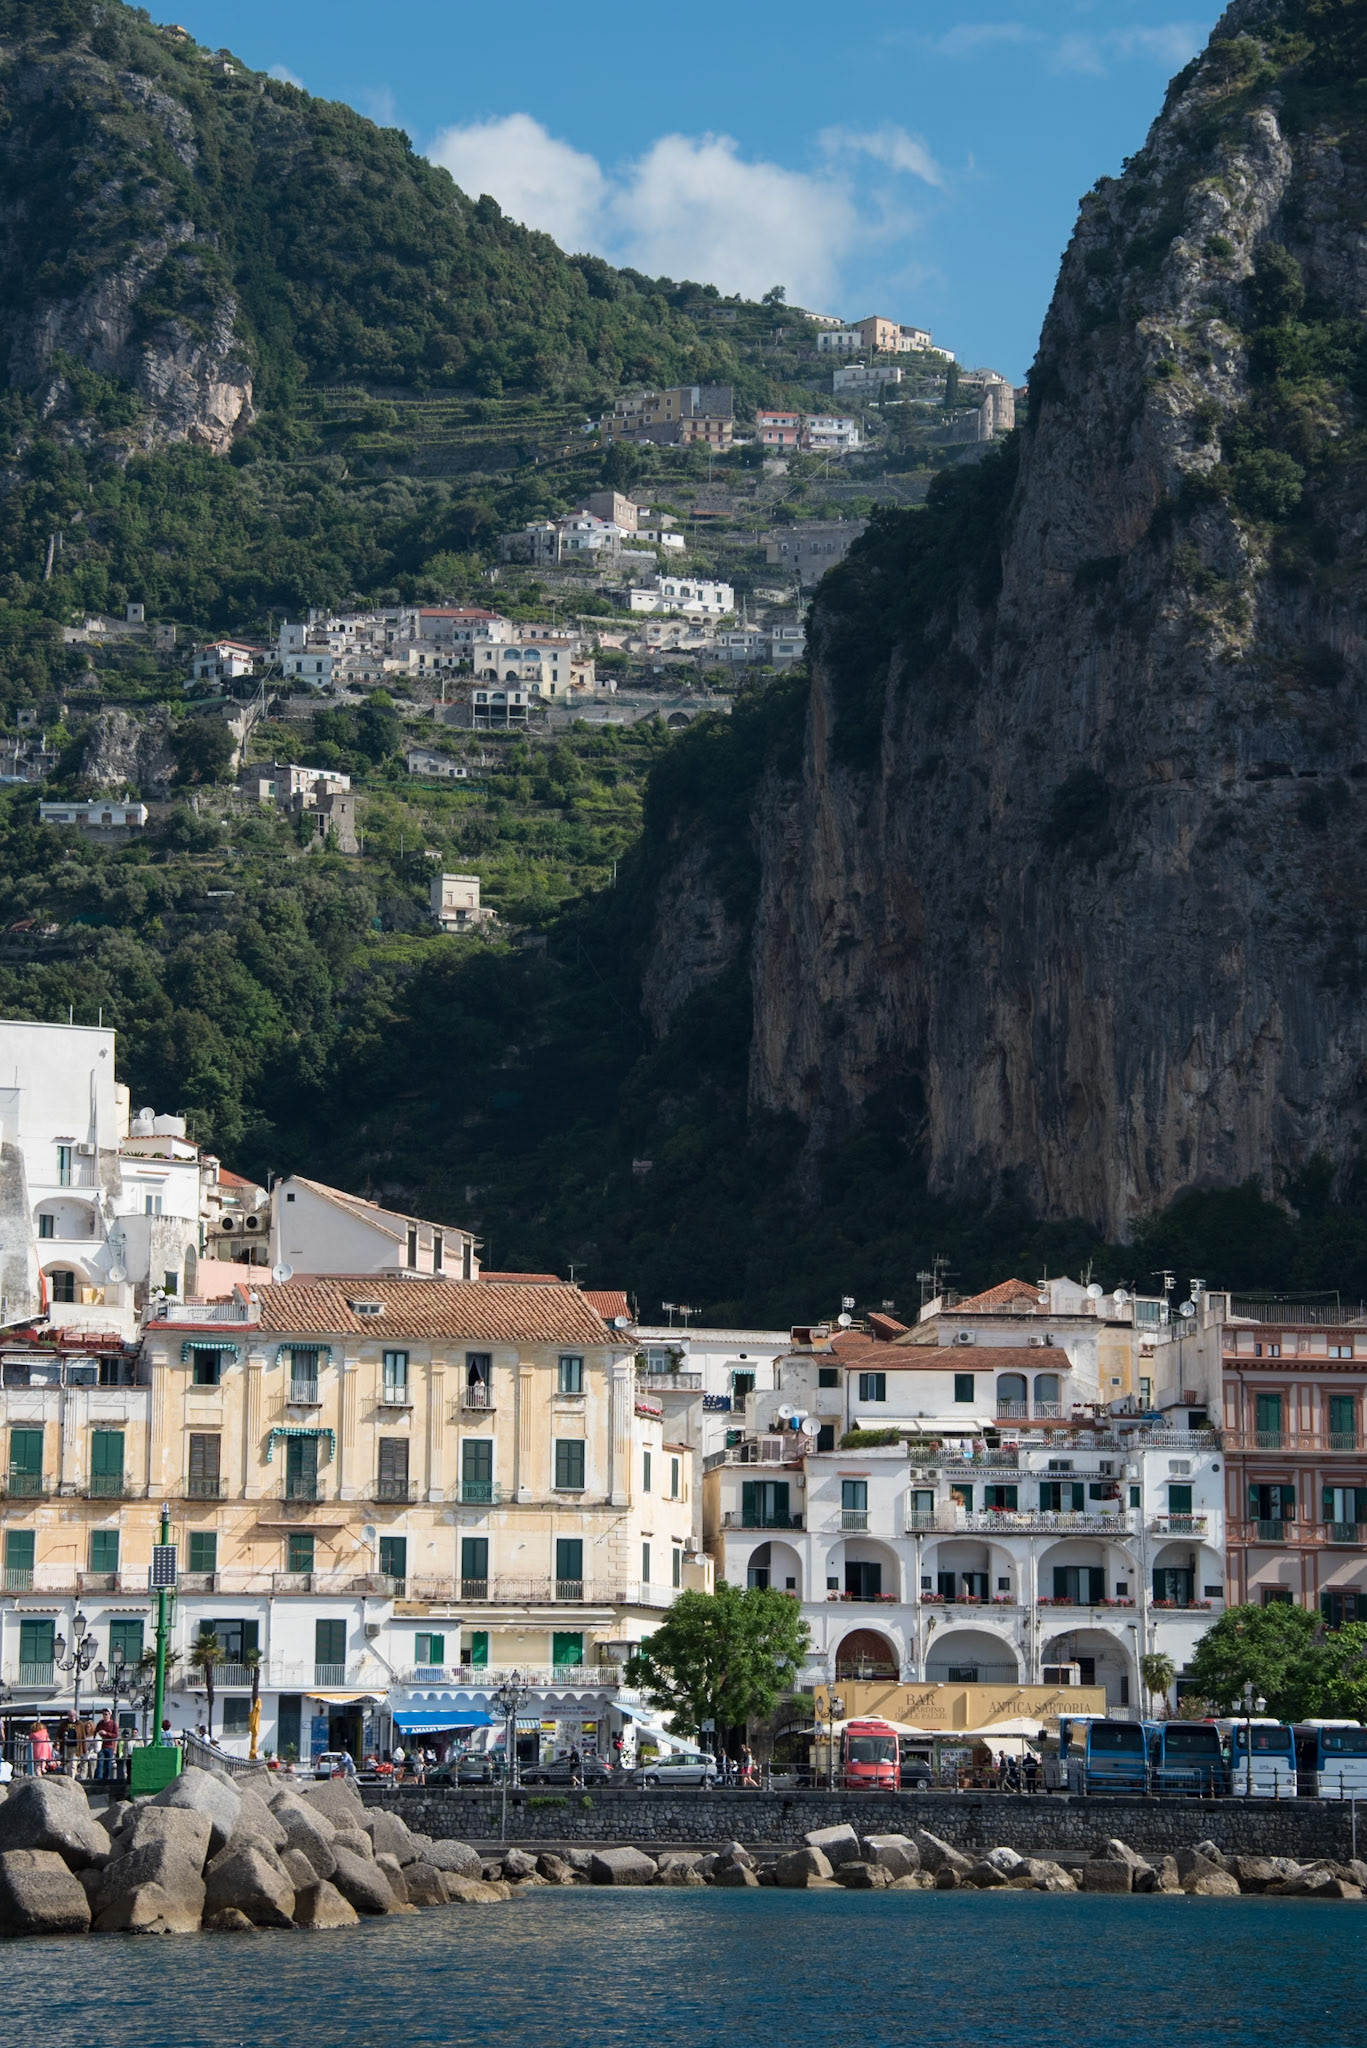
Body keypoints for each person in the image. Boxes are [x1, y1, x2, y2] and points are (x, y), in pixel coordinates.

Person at [95, 1710, 118, 1782]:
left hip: (109, 1746)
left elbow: (115, 1735)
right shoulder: (100, 1723)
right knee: (100, 1762)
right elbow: (96, 1732)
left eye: (106, 1714)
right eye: (103, 1714)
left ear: (109, 1715)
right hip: (101, 1746)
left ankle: (106, 1779)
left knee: (108, 1764)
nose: (104, 1716)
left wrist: (106, 1733)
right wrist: (99, 1733)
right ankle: (99, 1779)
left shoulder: (113, 1724)